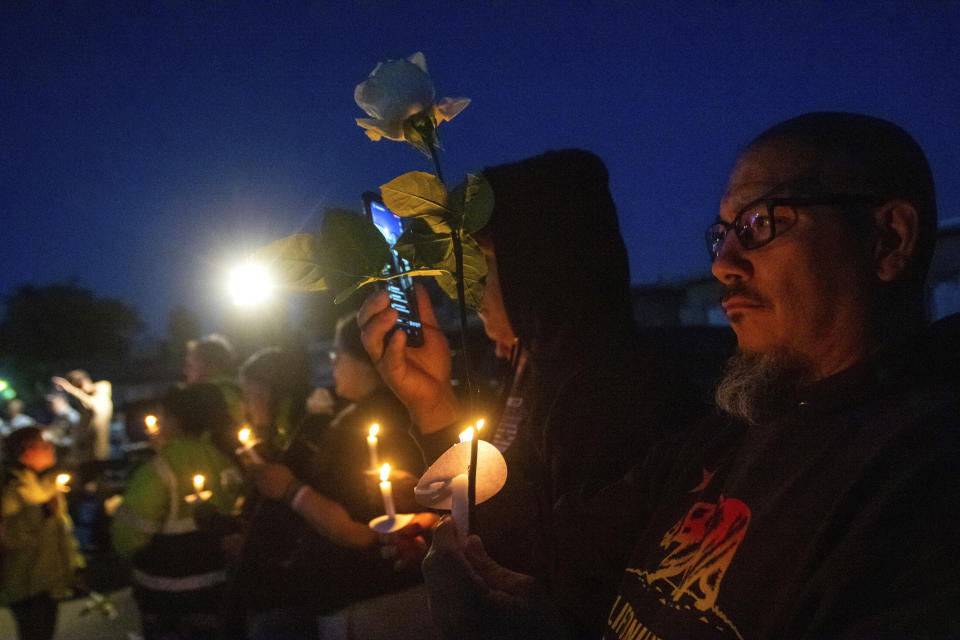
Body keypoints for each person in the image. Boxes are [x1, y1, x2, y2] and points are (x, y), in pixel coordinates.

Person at [421, 113, 960, 638]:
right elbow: (559, 553)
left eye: (760, 222)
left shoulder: (922, 489)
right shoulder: (731, 431)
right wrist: (429, 406)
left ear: (889, 239)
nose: (722, 264)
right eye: (722, 233)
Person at [359, 149, 700, 627]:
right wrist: (433, 401)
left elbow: (553, 578)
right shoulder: (528, 366)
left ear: (541, 264)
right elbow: (514, 506)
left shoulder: (614, 398)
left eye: (486, 260)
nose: (466, 285)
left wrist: (469, 552)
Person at [243, 315, 432, 636]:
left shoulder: (355, 424)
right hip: (403, 589)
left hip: (367, 597)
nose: (332, 364)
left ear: (366, 360)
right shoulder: (412, 410)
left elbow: (354, 530)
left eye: (337, 354)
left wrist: (289, 489)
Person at [111, 383, 242, 640]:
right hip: (215, 584)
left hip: (165, 594)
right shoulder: (223, 460)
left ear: (173, 420)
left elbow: (128, 538)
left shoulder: (158, 471)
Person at [0, 427, 85, 640]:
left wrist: (75, 565)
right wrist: (41, 515)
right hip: (26, 586)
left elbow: (63, 533)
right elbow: (10, 539)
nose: (51, 448)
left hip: (50, 583)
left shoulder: (49, 486)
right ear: (26, 453)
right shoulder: (13, 491)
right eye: (44, 446)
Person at [184, 333, 245, 432]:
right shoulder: (235, 392)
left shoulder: (218, 397)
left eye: (191, 365)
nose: (185, 371)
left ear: (211, 366)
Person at [51, 370, 113, 461]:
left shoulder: (102, 391)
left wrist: (71, 389)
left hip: (98, 453)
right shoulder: (84, 401)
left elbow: (94, 404)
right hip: (85, 453)